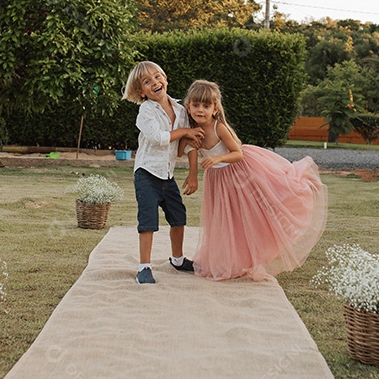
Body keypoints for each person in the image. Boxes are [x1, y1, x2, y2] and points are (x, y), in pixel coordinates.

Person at [180, 80, 328, 281]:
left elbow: (237, 153)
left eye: (206, 106)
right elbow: (188, 153)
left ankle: (266, 240)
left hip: (241, 173)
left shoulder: (218, 128)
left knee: (256, 212)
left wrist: (218, 158)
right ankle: (233, 260)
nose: (200, 110)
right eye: (196, 105)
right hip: (218, 180)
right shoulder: (192, 130)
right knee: (227, 221)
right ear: (188, 106)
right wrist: (190, 166)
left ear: (215, 109)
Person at [122, 61, 204, 284]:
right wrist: (185, 131)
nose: (155, 83)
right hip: (147, 173)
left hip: (167, 174)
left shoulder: (180, 110)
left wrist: (193, 174)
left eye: (158, 77)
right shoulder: (145, 111)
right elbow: (159, 138)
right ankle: (144, 267)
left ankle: (177, 259)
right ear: (141, 91)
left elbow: (189, 144)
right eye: (147, 82)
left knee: (179, 217)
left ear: (165, 78)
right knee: (148, 220)